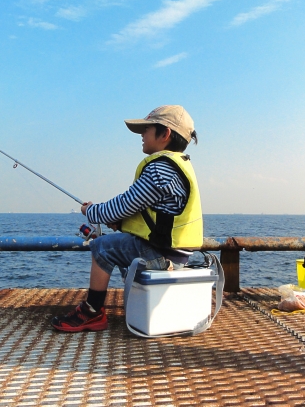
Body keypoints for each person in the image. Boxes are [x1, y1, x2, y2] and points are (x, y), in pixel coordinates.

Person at [50, 105, 203, 332]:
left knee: (102, 246)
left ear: (165, 134)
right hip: (176, 256)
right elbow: (153, 215)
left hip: (159, 256)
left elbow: (123, 205)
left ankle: (93, 311)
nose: (141, 135)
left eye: (146, 129)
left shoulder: (160, 169)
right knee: (123, 245)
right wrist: (121, 224)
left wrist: (91, 211)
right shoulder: (179, 165)